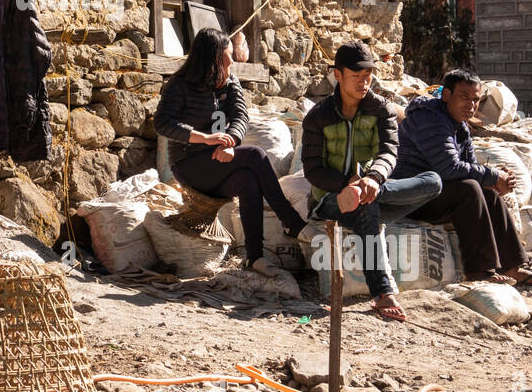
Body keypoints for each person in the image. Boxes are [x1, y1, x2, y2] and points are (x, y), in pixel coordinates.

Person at [301, 41, 443, 322]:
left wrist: (374, 178)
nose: (364, 83)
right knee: (364, 205)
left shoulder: (382, 110)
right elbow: (312, 170)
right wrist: (345, 185)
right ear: (338, 75)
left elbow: (389, 152)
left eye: (368, 77)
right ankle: (383, 294)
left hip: (371, 189)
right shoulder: (318, 117)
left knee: (433, 181)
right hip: (329, 200)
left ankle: (367, 195)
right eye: (356, 77)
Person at [154, 27, 307, 277]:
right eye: (227, 57)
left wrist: (230, 142)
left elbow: (240, 116)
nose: (233, 61)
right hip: (189, 164)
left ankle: (254, 257)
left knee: (247, 180)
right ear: (212, 59)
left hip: (220, 159)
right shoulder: (180, 85)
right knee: (256, 155)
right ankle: (290, 221)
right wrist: (203, 138)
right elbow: (162, 123)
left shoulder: (230, 80)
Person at [389, 69, 532, 286]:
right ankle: (478, 271)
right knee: (470, 190)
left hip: (435, 191)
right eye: (464, 98)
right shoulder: (429, 119)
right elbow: (449, 168)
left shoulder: (459, 125)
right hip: (411, 195)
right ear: (446, 96)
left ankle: (512, 267)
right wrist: (492, 175)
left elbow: (470, 166)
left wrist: (496, 178)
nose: (471, 105)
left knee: (487, 194)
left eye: (475, 100)